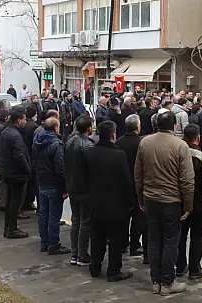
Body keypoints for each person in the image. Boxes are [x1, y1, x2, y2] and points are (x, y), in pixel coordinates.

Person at [134, 111, 194, 295]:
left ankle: (156, 280)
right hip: (171, 200)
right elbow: (187, 179)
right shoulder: (180, 146)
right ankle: (168, 281)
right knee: (170, 241)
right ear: (174, 126)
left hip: (150, 198)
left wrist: (140, 198)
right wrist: (188, 205)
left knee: (153, 240)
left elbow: (138, 174)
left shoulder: (145, 143)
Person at [84, 119, 135, 281]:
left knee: (97, 236)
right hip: (115, 204)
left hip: (95, 202)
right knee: (115, 239)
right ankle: (114, 270)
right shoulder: (118, 155)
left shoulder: (89, 153)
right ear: (113, 135)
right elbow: (126, 181)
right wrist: (131, 201)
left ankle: (95, 266)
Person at [176, 124, 202, 280]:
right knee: (197, 235)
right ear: (197, 138)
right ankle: (194, 267)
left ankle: (180, 265)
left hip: (179, 201)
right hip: (199, 203)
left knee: (180, 235)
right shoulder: (201, 157)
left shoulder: (177, 152)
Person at [34, 117, 69, 254]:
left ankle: (44, 242)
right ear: (56, 128)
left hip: (42, 180)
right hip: (54, 183)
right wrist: (65, 187)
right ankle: (53, 244)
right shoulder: (56, 144)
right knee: (54, 215)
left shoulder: (37, 142)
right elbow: (60, 168)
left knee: (43, 213)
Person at [65, 115, 96, 266]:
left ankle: (74, 253)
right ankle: (82, 254)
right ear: (89, 128)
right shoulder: (88, 145)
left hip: (73, 186)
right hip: (85, 188)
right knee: (85, 222)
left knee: (76, 220)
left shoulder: (69, 141)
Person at [0, 107, 32, 239]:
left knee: (10, 201)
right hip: (15, 173)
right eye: (24, 119)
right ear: (19, 120)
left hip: (7, 172)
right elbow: (19, 156)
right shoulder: (15, 135)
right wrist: (28, 170)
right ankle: (11, 229)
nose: (25, 122)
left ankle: (8, 227)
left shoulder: (6, 132)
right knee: (14, 202)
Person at [115, 114, 145, 257]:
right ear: (138, 127)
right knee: (138, 217)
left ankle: (122, 243)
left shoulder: (118, 142)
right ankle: (135, 244)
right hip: (137, 183)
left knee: (124, 216)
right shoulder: (141, 143)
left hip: (121, 184)